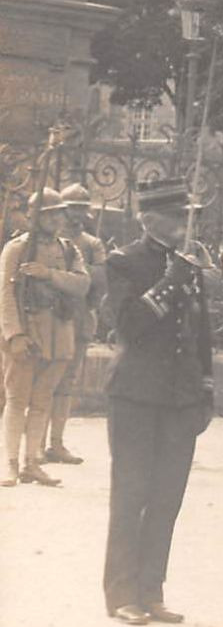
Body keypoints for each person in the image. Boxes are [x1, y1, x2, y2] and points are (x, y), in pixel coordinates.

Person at [100, 178, 214, 625]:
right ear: (149, 219)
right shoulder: (123, 262)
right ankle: (122, 593)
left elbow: (201, 334)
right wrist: (169, 283)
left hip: (179, 400)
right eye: (177, 217)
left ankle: (152, 590)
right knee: (131, 495)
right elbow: (129, 327)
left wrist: (205, 389)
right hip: (135, 396)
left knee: (167, 498)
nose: (186, 224)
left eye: (189, 216)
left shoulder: (191, 263)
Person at [1, 188, 89, 486]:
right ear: (33, 216)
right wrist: (14, 335)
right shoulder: (16, 249)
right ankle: (10, 463)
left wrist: (48, 274)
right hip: (28, 335)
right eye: (48, 213)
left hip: (60, 337)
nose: (55, 219)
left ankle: (31, 463)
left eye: (58, 213)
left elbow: (82, 285)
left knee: (42, 403)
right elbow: (5, 296)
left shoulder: (68, 250)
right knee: (16, 401)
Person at [43, 183, 106, 466]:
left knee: (66, 383)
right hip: (46, 319)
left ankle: (56, 443)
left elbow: (98, 287)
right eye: (71, 210)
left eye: (82, 210)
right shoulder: (45, 243)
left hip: (77, 320)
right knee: (41, 381)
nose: (76, 216)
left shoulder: (92, 245)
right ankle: (34, 444)